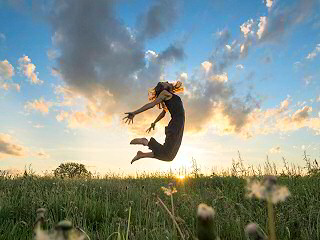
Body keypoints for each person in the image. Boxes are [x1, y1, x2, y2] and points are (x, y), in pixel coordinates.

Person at [124, 81, 185, 164]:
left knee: (169, 156)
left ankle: (141, 154)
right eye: (165, 82)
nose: (167, 81)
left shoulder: (170, 96)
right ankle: (145, 142)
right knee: (168, 154)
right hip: (176, 124)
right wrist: (135, 112)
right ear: (163, 87)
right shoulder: (165, 93)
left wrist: (154, 123)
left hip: (179, 125)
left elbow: (163, 113)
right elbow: (151, 104)